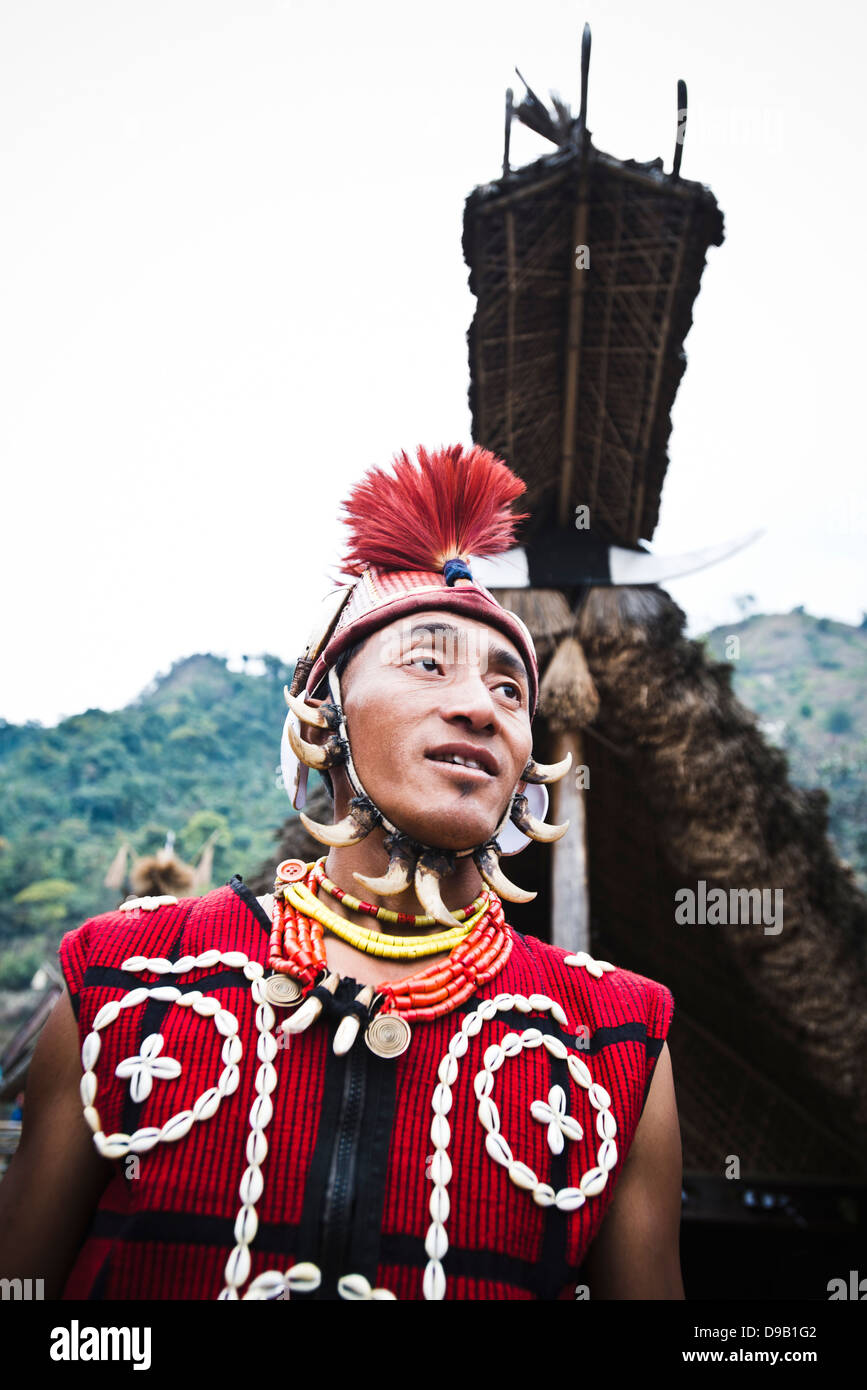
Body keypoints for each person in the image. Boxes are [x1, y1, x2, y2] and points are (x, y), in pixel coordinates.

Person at [0, 443, 683, 1300]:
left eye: (511, 690)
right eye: (427, 663)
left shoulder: (615, 1040)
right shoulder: (123, 981)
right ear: (322, 719)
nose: (480, 706)